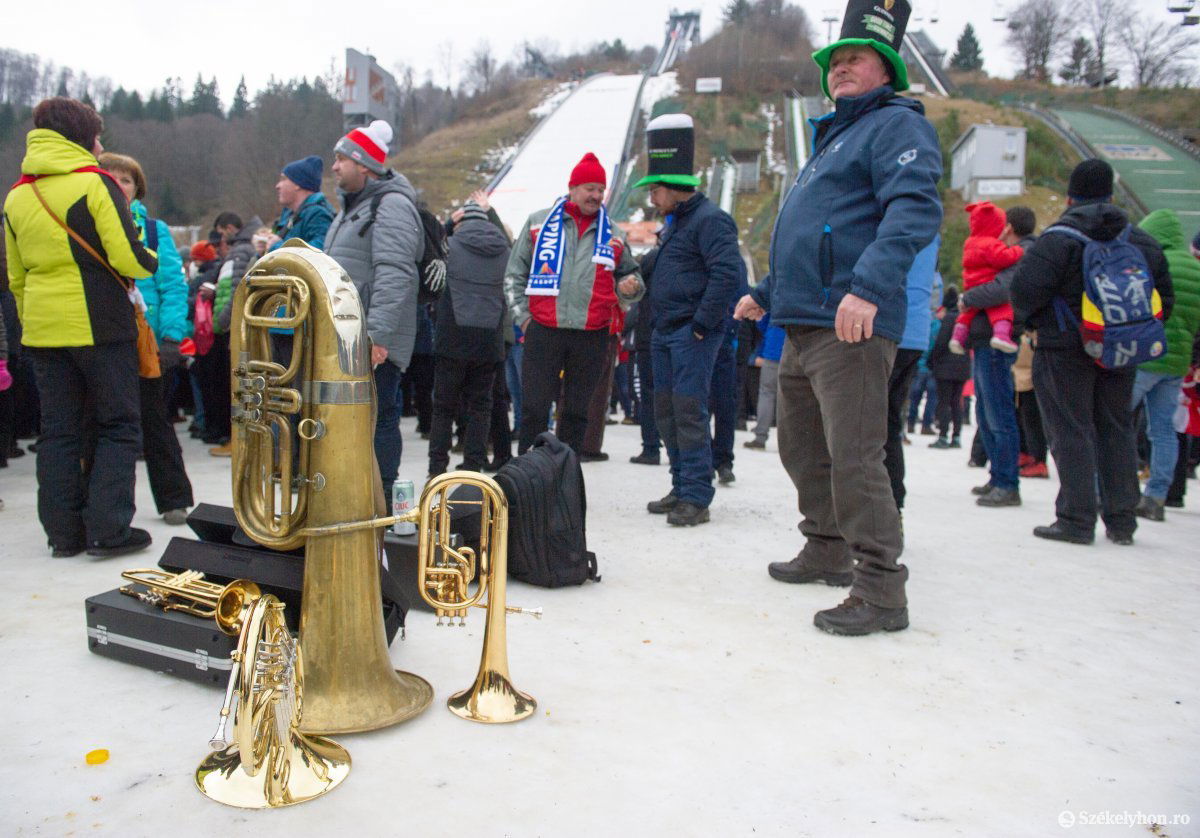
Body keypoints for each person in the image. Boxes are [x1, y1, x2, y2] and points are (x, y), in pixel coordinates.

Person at [734, 0, 942, 634]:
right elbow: (815, 230)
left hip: (851, 321)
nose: (840, 67)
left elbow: (913, 211)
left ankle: (881, 591)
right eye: (835, 60)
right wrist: (768, 290)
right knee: (802, 448)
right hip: (804, 320)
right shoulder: (836, 136)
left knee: (855, 457)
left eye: (855, 59)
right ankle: (826, 547)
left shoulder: (896, 127)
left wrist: (870, 288)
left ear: (887, 70)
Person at [4, 97, 158, 557]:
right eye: (96, 136)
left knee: (59, 431)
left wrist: (33, 324)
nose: (99, 144)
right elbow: (129, 256)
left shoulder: (17, 194)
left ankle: (63, 534)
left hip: (43, 332)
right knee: (118, 425)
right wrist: (148, 260)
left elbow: (14, 276)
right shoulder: (94, 184)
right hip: (100, 325)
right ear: (81, 138)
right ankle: (107, 531)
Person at [1011, 159, 1173, 545]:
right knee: (1116, 429)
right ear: (1112, 195)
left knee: (1071, 429)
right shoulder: (1139, 240)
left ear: (1070, 196)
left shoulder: (1059, 238)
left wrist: (1038, 324)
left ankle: (1076, 519)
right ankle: (1122, 521)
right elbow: (1164, 298)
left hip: (1064, 348)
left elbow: (1023, 292)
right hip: (1120, 350)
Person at [635, 114, 742, 526]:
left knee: (689, 411)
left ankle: (697, 496)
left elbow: (726, 274)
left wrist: (702, 323)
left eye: (655, 190)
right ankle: (681, 485)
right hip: (666, 331)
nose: (652, 197)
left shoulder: (711, 220)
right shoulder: (675, 225)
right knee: (665, 410)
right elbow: (661, 267)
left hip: (690, 333)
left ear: (672, 189)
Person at [504, 152, 643, 456]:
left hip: (591, 335)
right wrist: (525, 319)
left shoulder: (614, 234)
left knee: (578, 413)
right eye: (589, 188)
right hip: (544, 330)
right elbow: (514, 274)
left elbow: (631, 279)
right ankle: (531, 477)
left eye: (600, 189)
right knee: (534, 409)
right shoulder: (538, 223)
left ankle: (565, 477)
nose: (596, 195)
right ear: (572, 188)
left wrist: (630, 287)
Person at [324, 119, 424, 503]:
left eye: (341, 159)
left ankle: (379, 499)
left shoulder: (391, 204)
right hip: (348, 338)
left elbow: (396, 272)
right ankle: (353, 496)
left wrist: (377, 337)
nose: (334, 167)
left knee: (379, 420)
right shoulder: (353, 207)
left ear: (363, 164)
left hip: (371, 341)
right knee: (353, 423)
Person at [98, 152, 195, 525]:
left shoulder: (154, 230)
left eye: (126, 180)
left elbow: (172, 284)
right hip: (104, 334)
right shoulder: (89, 222)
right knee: (105, 422)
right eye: (112, 178)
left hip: (146, 339)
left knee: (155, 420)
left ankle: (174, 499)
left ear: (137, 188)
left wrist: (171, 335)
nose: (119, 185)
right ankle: (105, 506)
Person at [960, 205, 1036, 506]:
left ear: (1008, 227)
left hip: (997, 342)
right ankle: (998, 476)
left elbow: (1002, 290)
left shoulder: (1022, 253)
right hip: (985, 339)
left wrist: (968, 298)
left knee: (999, 411)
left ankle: (1007, 481)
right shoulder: (1008, 253)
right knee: (987, 411)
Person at [427, 201, 510, 475]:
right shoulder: (505, 250)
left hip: (453, 337)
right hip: (489, 341)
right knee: (481, 407)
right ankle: (475, 469)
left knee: (443, 408)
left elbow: (431, 245)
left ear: (461, 222)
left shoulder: (451, 244)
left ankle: (437, 469)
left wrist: (449, 224)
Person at [1130, 209, 1200, 521]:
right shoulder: (1196, 271)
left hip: (1146, 354)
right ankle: (1156, 497)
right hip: (1178, 362)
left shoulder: (1152, 261)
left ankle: (1103, 488)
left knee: (1115, 420)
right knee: (1164, 429)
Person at [884, 236, 939, 510]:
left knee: (865, 427)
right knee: (890, 423)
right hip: (915, 332)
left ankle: (878, 511)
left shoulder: (899, 217)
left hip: (888, 329)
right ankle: (894, 506)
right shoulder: (929, 225)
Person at [949, 202, 1023, 355]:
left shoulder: (969, 242)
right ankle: (1001, 336)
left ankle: (957, 338)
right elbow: (1003, 258)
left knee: (966, 314)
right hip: (986, 280)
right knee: (1002, 309)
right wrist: (1017, 251)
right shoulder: (991, 244)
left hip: (970, 282)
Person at [927, 287, 971, 450]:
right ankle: (957, 436)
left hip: (945, 366)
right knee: (956, 401)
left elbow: (941, 342)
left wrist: (933, 360)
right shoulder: (965, 318)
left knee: (944, 401)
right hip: (963, 366)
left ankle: (943, 435)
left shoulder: (948, 319)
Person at [267, 155, 334, 251]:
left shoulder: (317, 214)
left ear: (298, 184)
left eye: (283, 179)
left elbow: (318, 254)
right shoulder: (289, 215)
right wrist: (263, 251)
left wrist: (277, 247)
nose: (277, 186)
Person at [743, 314, 785, 450]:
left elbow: (761, 324)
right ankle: (793, 443)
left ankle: (760, 437)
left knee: (767, 394)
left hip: (772, 349)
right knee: (793, 397)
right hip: (795, 349)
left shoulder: (776, 295)